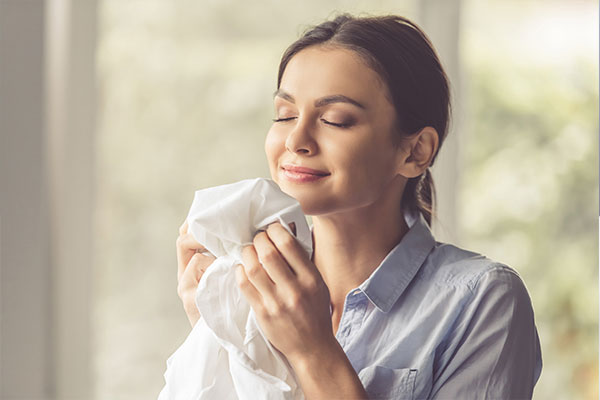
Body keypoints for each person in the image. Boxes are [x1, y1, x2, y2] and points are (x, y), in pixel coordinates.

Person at [175, 14, 542, 400]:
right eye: (285, 115)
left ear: (415, 151)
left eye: (336, 120)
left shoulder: (482, 299)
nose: (296, 140)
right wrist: (217, 327)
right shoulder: (253, 291)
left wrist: (313, 352)